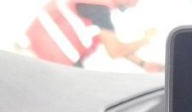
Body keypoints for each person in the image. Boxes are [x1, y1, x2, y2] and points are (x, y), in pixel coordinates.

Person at [25, 0, 163, 71]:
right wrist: (146, 39)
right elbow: (116, 51)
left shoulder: (93, 5)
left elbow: (112, 44)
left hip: (36, 48)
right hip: (55, 62)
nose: (133, 3)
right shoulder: (99, 9)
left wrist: (143, 64)